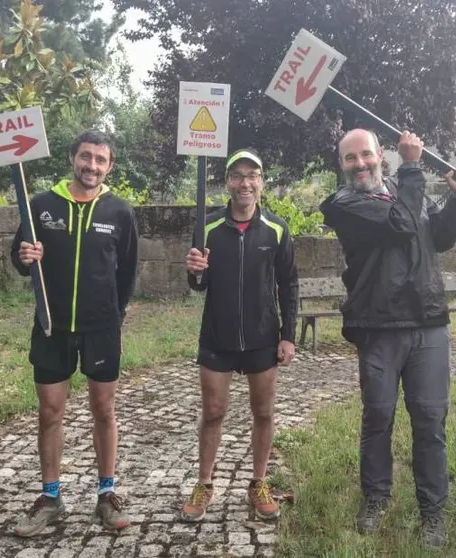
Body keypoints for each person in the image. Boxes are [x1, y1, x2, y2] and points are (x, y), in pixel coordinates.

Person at [319, 129, 456, 547]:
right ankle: (375, 498)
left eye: (365, 155)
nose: (360, 164)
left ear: (379, 156)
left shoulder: (404, 190)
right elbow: (401, 225)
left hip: (427, 323)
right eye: (350, 158)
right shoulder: (343, 204)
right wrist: (412, 167)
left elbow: (437, 236)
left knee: (430, 422)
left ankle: (433, 513)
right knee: (378, 417)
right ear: (342, 165)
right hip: (378, 326)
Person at [9, 129, 139, 536]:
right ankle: (51, 498)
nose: (92, 167)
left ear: (110, 165)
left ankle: (106, 494)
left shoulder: (119, 211)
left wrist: (115, 318)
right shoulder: (42, 205)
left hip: (101, 328)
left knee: (104, 410)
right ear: (72, 158)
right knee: (50, 412)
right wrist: (24, 256)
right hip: (52, 326)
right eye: (86, 157)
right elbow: (19, 259)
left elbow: (129, 271)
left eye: (101, 160)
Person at [180, 147, 299, 522]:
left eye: (253, 176)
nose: (245, 183)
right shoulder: (209, 227)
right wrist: (195, 270)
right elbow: (198, 285)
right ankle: (204, 483)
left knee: (263, 412)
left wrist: (288, 335)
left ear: (261, 183)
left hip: (263, 337)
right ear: (227, 182)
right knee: (213, 412)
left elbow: (289, 283)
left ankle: (259, 482)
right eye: (238, 176)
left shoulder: (277, 229)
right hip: (218, 336)